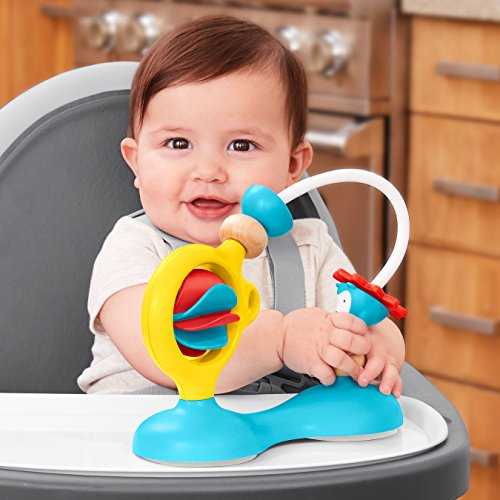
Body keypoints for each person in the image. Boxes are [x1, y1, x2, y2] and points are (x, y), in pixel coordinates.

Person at [77, 15, 405, 397]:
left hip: (277, 434)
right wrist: (280, 340)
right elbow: (166, 353)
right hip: (130, 430)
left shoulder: (310, 248)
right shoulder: (133, 250)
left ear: (293, 166)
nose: (209, 171)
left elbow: (359, 322)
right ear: (136, 162)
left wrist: (376, 346)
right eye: (178, 144)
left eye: (242, 145)